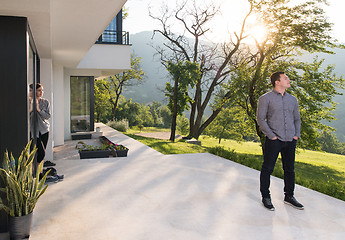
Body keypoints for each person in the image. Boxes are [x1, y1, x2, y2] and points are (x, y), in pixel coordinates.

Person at [256, 71, 304, 211]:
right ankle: (266, 197)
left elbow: (297, 119)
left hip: (290, 139)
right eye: (285, 78)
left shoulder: (293, 100)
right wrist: (272, 136)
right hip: (274, 140)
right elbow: (260, 119)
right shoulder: (265, 99)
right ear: (277, 82)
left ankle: (289, 196)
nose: (288, 80)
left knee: (289, 169)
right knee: (267, 168)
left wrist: (296, 135)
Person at [29, 83, 62, 183]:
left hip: (44, 130)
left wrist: (38, 109)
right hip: (33, 132)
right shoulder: (27, 102)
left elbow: (47, 116)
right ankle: (35, 172)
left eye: (42, 90)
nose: (41, 92)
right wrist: (31, 106)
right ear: (33, 91)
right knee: (40, 153)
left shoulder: (45, 102)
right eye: (39, 90)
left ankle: (39, 174)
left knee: (41, 155)